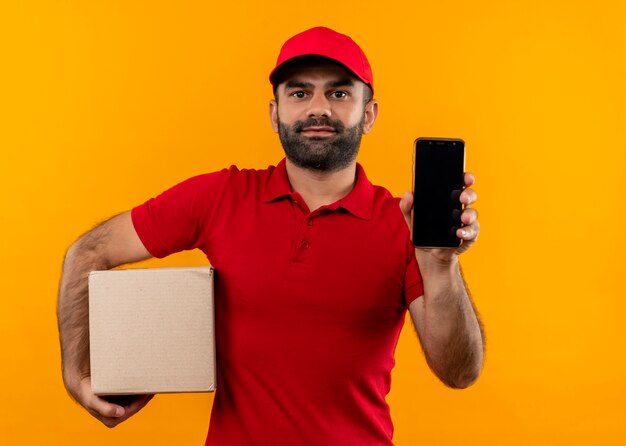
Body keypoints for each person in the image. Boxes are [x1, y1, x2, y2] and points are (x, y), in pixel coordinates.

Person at [57, 26, 484, 445]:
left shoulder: (403, 224)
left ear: (368, 114)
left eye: (339, 93)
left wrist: (441, 264)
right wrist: (77, 373)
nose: (319, 108)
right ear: (274, 113)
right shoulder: (220, 196)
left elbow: (459, 372)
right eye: (300, 93)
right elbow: (89, 252)